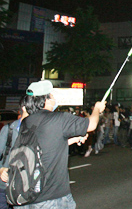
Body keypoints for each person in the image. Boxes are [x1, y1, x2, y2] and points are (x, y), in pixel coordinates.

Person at [18, 80, 105, 209]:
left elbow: (42, 147)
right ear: (46, 99)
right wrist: (97, 109)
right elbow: (91, 125)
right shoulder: (58, 118)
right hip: (50, 198)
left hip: (26, 196)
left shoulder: (26, 122)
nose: (54, 98)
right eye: (52, 95)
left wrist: (71, 140)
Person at [0, 97, 28, 209]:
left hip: (26, 186)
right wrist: (0, 169)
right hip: (6, 185)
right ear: (24, 108)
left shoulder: (38, 130)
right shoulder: (10, 129)